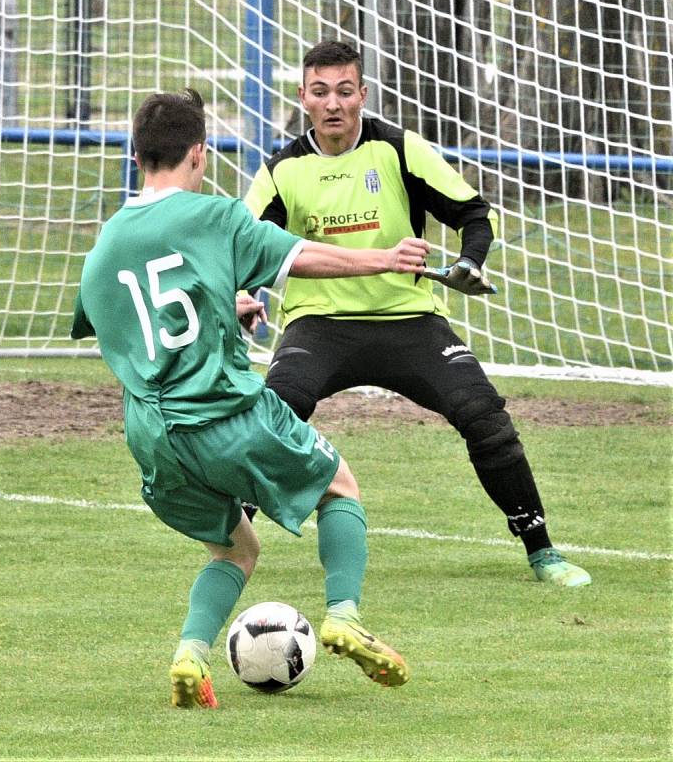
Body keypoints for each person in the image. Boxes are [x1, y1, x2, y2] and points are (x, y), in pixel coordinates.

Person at [70, 88, 431, 708]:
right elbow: (302, 257)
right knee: (338, 484)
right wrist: (385, 258)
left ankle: (190, 654)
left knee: (236, 547)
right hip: (224, 413)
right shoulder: (215, 216)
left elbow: (135, 322)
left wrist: (220, 308)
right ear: (199, 153)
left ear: (137, 156)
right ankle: (343, 615)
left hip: (153, 436)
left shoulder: (106, 245)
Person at [244, 40, 591, 588]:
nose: (333, 103)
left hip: (410, 321)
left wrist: (470, 262)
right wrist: (245, 293)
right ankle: (230, 541)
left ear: (362, 95)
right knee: (274, 410)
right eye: (319, 92)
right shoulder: (281, 170)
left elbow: (475, 213)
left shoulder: (400, 150)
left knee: (484, 417)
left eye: (344, 91)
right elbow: (247, 248)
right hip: (319, 326)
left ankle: (542, 550)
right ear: (303, 98)